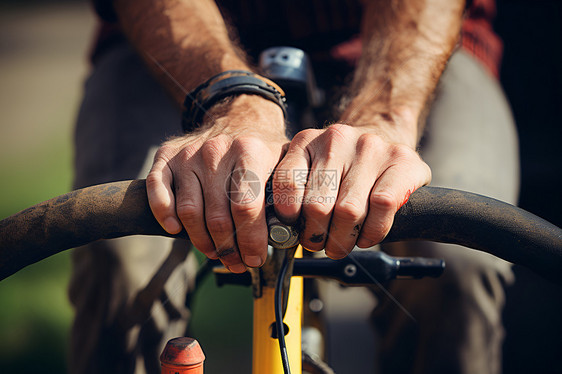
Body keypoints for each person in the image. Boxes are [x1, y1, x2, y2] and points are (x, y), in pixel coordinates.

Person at [69, 0, 519, 373]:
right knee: (119, 256)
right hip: (168, 43)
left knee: (461, 260)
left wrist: (385, 115)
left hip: (416, 43)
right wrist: (230, 99)